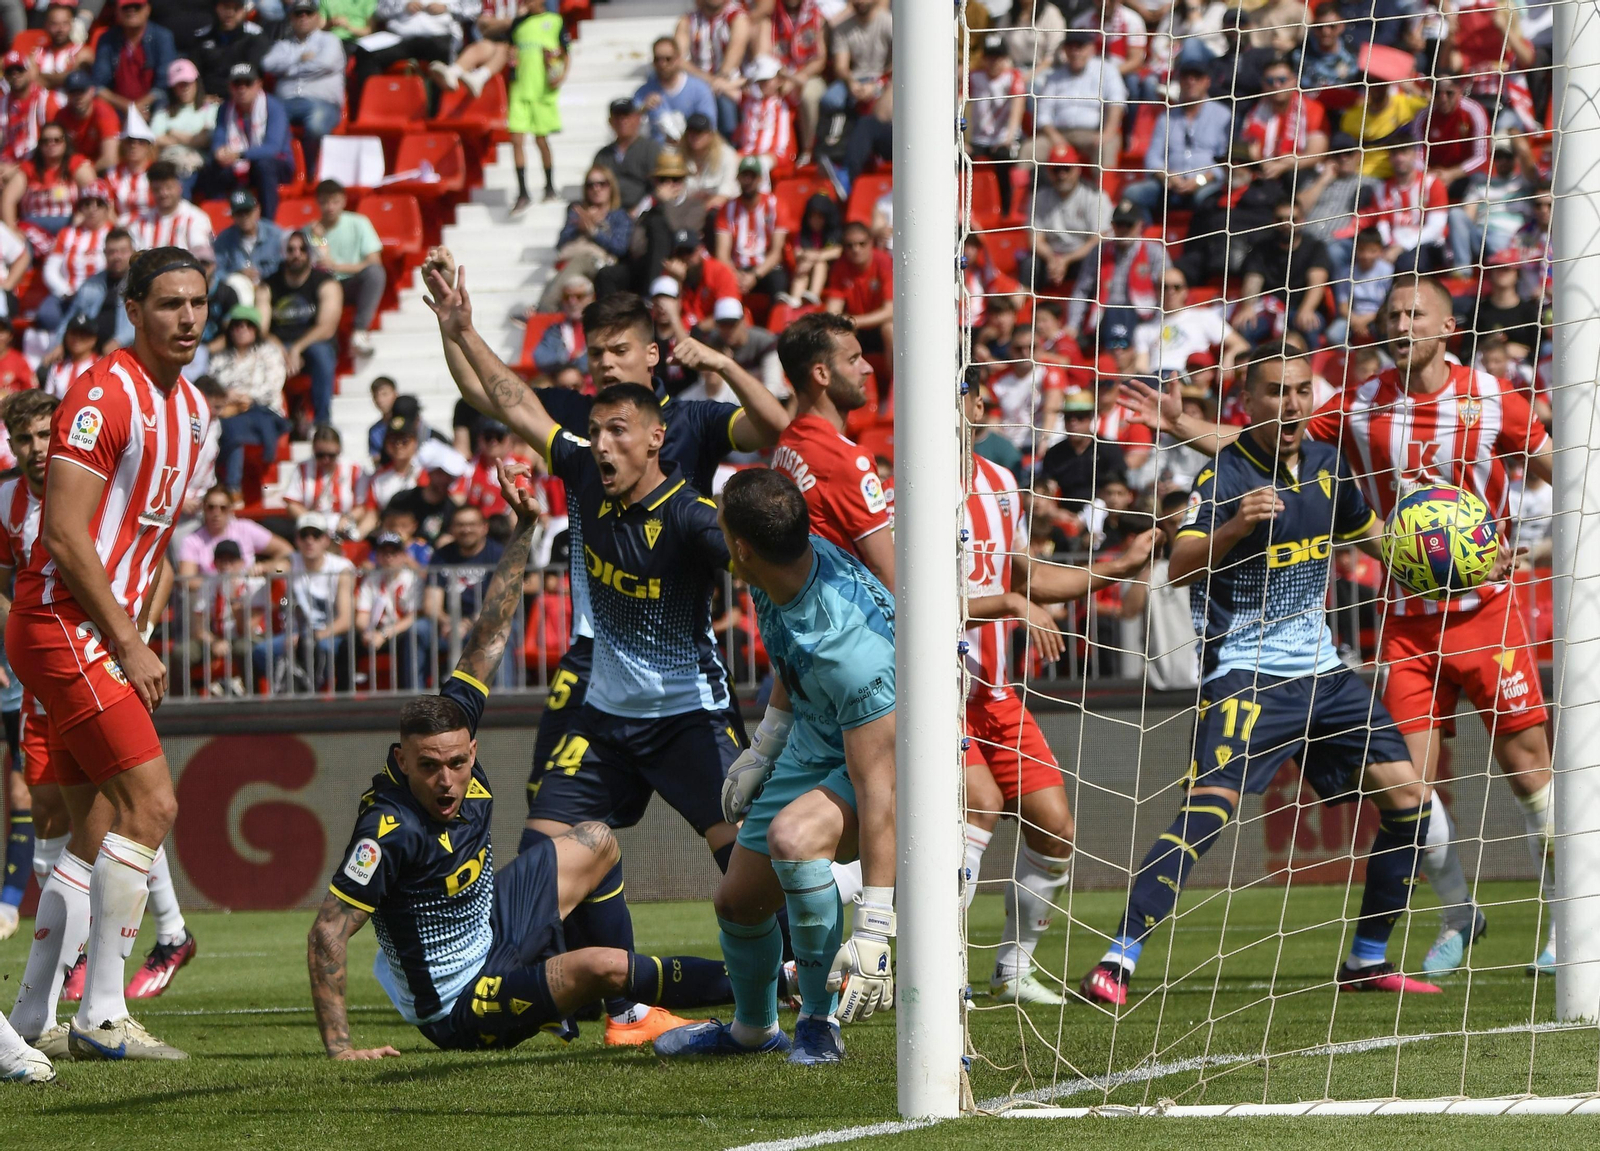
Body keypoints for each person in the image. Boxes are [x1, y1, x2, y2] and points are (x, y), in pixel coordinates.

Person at [423, 262, 788, 1044]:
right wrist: (459, 328)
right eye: (598, 428)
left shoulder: (693, 499)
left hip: (687, 711)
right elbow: (505, 398)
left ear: (657, 434)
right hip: (602, 703)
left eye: (619, 428)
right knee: (548, 848)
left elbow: (771, 458)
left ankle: (800, 975)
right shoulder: (581, 454)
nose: (603, 440)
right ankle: (581, 1001)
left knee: (746, 859)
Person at [309, 466, 732, 1057]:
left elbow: (488, 633)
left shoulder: (457, 724)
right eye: (428, 767)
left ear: (472, 749)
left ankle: (626, 1015)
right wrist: (341, 1050)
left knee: (595, 840)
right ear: (401, 761)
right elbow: (327, 932)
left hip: (493, 930)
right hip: (461, 1003)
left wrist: (525, 527)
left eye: (457, 763)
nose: (447, 780)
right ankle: (774, 981)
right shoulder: (389, 828)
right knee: (602, 965)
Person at [1079, 351, 1437, 1008]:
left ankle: (1367, 958)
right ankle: (1118, 958)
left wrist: (1454, 554)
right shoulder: (1223, 475)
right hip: (1247, 674)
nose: (1292, 403)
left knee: (1410, 799)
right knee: (1208, 811)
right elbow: (1180, 567)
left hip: (1325, 674)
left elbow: (1379, 538)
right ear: (1249, 401)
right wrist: (1238, 523)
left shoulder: (1330, 466)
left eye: (1301, 390)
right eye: (1276, 392)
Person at [6, 245, 216, 1062]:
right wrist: (127, 641)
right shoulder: (102, 394)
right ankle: (101, 1013)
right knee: (153, 805)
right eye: (169, 303)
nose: (188, 318)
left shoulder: (192, 410)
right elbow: (63, 534)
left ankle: (31, 1015)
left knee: (92, 829)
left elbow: (154, 541)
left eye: (197, 302)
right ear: (132, 310)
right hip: (65, 621)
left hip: (95, 629)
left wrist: (141, 631)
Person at [653, 467, 895, 1063]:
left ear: (741, 547)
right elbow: (794, 656)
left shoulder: (852, 654)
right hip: (818, 735)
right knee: (736, 903)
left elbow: (880, 792)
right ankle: (753, 1030)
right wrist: (765, 745)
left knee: (794, 838)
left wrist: (875, 926)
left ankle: (817, 1023)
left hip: (893, 751)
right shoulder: (774, 571)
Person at [959, 384, 1154, 1004]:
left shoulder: (1001, 483)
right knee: (978, 807)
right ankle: (936, 970)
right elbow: (905, 596)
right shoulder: (904, 492)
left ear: (978, 407)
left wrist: (1115, 568)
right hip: (935, 694)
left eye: (954, 395)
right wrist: (1013, 603)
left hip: (995, 692)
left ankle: (1011, 970)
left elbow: (1027, 575)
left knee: (1055, 828)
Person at [0, 392, 61, 948]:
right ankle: (62, 942)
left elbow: (153, 563)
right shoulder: (5, 501)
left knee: (126, 799)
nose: (37, 448)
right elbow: (3, 585)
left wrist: (136, 632)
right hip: (31, 672)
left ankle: (167, 928)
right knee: (39, 800)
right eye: (25, 438)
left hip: (93, 659)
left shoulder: (93, 488)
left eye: (45, 435)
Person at [769, 312, 892, 587]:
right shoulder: (846, 459)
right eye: (853, 360)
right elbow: (888, 575)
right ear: (822, 374)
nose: (868, 368)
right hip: (848, 609)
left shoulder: (788, 441)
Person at [253, 511, 354, 692]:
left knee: (318, 650)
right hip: (295, 635)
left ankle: (310, 694)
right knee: (260, 652)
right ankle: (286, 688)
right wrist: (264, 568)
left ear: (325, 540)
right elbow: (278, 569)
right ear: (297, 539)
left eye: (316, 535)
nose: (309, 540)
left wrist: (314, 637)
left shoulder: (341, 568)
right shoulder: (292, 562)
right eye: (304, 535)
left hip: (328, 634)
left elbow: (345, 620)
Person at [206, 305, 293, 490]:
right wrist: (227, 397)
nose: (242, 329)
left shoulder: (269, 352)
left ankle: (232, 487)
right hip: (227, 411)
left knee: (233, 430)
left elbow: (273, 387)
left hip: (262, 411)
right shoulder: (219, 358)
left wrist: (243, 397)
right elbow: (210, 388)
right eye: (237, 325)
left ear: (256, 329)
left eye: (248, 325)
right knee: (219, 426)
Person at [259, 229, 341, 423]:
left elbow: (327, 328)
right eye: (291, 249)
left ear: (309, 253)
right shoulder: (268, 285)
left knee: (321, 354)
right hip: (280, 344)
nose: (297, 254)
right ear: (283, 253)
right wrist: (281, 349)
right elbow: (260, 329)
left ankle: (322, 422)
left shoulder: (326, 283)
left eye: (302, 249)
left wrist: (296, 348)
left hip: (313, 343)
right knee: (266, 354)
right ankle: (271, 422)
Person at [261, 0, 346, 176]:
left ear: (317, 17)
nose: (303, 17)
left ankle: (309, 172)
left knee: (316, 125)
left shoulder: (330, 40)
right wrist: (300, 58)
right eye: (298, 13)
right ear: (291, 18)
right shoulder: (283, 45)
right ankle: (284, 170)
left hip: (322, 102)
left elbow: (325, 63)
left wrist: (287, 70)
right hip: (285, 102)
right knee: (264, 123)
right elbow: (267, 63)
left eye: (308, 13)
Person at [202, 62, 292, 218]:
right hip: (240, 162)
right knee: (213, 165)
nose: (242, 89)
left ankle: (267, 221)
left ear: (258, 85)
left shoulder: (274, 107)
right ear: (230, 87)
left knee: (263, 166)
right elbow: (219, 137)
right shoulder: (225, 109)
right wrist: (219, 152)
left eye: (247, 83)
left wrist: (239, 154)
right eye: (237, 84)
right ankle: (217, 218)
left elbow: (273, 148)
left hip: (277, 164)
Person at [305, 179, 384, 357]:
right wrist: (317, 240)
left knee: (375, 273)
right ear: (318, 202)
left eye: (335, 201)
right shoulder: (308, 231)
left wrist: (337, 266)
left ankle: (359, 331)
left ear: (344, 201)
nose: (330, 207)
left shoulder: (359, 223)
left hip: (350, 283)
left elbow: (374, 261)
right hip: (321, 287)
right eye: (325, 202)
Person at [538, 167, 630, 312]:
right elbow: (560, 244)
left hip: (601, 261)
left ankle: (544, 308)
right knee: (564, 271)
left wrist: (594, 231)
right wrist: (579, 227)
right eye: (590, 185)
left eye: (602, 184)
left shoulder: (618, 215)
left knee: (579, 262)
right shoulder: (577, 212)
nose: (596, 189)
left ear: (611, 187)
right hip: (573, 259)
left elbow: (620, 247)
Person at [506, 0, 566, 217]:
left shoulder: (554, 21)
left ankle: (549, 186)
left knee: (541, 139)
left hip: (542, 91)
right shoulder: (518, 24)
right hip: (519, 89)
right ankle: (523, 192)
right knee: (516, 140)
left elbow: (564, 52)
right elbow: (511, 50)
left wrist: (560, 75)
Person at [1031, 33, 1125, 169]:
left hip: (1093, 133)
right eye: (1070, 47)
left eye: (1080, 47)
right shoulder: (1054, 76)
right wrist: (1055, 137)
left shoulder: (1107, 70)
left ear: (1091, 48)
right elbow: (1043, 114)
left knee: (1107, 146)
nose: (1075, 52)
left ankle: (1105, 183)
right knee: (1030, 150)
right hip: (1058, 134)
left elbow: (1116, 104)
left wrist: (1107, 133)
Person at [351, 0, 464, 107]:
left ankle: (438, 110)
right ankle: (374, 106)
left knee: (443, 55)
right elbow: (380, 11)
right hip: (400, 38)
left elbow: (471, 10)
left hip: (439, 37)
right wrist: (402, 7)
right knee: (366, 52)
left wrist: (446, 8)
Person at [37, 180, 113, 335]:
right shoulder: (66, 234)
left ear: (107, 208)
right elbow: (50, 269)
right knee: (47, 315)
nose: (92, 209)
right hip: (68, 294)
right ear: (80, 208)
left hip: (101, 294)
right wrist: (65, 290)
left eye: (98, 204)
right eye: (87, 204)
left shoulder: (115, 234)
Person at [176, 483, 291, 579]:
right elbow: (187, 581)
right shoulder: (192, 540)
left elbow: (286, 551)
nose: (216, 513)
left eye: (223, 508)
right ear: (203, 509)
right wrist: (220, 584)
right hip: (211, 597)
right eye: (211, 507)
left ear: (231, 510)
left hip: (249, 595)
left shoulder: (245, 528)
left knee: (282, 566)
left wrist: (264, 567)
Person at [52, 226, 135, 353]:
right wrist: (59, 343)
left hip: (126, 350)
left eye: (123, 251)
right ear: (104, 253)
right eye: (112, 252)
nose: (117, 257)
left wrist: (119, 341)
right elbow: (71, 316)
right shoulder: (91, 285)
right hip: (89, 351)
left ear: (133, 252)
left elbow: (144, 322)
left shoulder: (139, 283)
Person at [676, 0, 752, 139]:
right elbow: (678, 59)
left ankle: (730, 143)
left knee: (725, 105)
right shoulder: (687, 20)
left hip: (730, 83)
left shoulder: (737, 17)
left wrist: (719, 82)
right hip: (700, 83)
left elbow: (734, 55)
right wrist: (711, 82)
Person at [1, 121, 93, 235]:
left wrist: (83, 215)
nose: (51, 144)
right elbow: (8, 199)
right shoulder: (28, 168)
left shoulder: (76, 165)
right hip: (33, 226)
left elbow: (94, 193)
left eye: (57, 140)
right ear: (40, 145)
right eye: (46, 141)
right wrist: (12, 231)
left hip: (69, 222)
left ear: (65, 142)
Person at [716, 156, 789, 299]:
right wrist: (736, 275)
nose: (748, 181)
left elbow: (776, 253)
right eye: (745, 176)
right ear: (738, 178)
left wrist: (755, 275)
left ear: (760, 179)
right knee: (722, 284)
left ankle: (779, 312)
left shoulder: (775, 206)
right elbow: (722, 254)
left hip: (765, 267)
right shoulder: (726, 210)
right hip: (738, 267)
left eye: (753, 177)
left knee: (779, 283)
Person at [91, 0, 177, 119]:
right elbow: (99, 85)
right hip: (118, 111)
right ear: (117, 11)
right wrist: (130, 108)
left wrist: (139, 108)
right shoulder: (107, 40)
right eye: (126, 7)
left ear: (148, 9)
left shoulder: (163, 37)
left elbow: (163, 84)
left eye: (137, 7)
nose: (131, 11)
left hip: (154, 109)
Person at [283, 425, 371, 540]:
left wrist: (347, 519)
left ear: (339, 450)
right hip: (312, 531)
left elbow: (363, 506)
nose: (326, 460)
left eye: (331, 455)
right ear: (313, 450)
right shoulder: (303, 468)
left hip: (342, 529)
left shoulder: (355, 469)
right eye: (320, 455)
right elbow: (292, 504)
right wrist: (310, 521)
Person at [823, 222, 892, 364]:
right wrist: (845, 322)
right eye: (850, 245)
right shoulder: (840, 266)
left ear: (871, 243)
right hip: (857, 329)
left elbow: (890, 311)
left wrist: (853, 321)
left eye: (862, 244)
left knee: (889, 328)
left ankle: (895, 377)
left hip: (878, 326)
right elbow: (833, 310)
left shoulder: (883, 262)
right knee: (837, 331)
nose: (856, 249)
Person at [636, 35, 715, 148]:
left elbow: (709, 128)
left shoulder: (699, 90)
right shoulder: (643, 93)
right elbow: (628, 128)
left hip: (689, 151)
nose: (662, 64)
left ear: (678, 59)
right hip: (654, 152)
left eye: (668, 59)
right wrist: (643, 109)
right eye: (657, 59)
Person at [149, 58, 217, 187]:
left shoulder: (210, 108)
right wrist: (191, 138)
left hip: (197, 164)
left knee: (182, 179)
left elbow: (204, 140)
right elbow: (154, 141)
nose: (184, 88)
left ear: (196, 82)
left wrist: (173, 133)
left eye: (187, 83)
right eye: (179, 85)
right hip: (169, 162)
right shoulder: (163, 112)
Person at [130, 160, 215, 262]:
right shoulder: (140, 223)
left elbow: (202, 258)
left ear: (180, 187)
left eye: (168, 187)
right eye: (157, 189)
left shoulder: (196, 218)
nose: (163, 193)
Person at [591, 97, 660, 212]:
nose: (622, 121)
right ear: (610, 122)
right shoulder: (602, 155)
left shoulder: (651, 149)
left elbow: (658, 187)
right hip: (610, 213)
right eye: (617, 117)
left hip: (645, 213)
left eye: (627, 116)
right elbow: (595, 186)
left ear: (638, 118)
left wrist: (638, 211)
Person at [193, 0, 268, 100]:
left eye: (236, 8)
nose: (230, 13)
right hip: (207, 100)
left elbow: (253, 75)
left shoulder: (255, 37)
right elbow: (194, 74)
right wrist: (201, 97)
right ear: (216, 8)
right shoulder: (202, 37)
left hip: (242, 99)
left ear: (244, 10)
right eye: (225, 7)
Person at [212, 188, 286, 290]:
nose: (244, 217)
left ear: (257, 210)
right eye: (239, 213)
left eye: (247, 211)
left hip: (271, 288)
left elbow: (285, 267)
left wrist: (261, 273)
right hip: (237, 292)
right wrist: (237, 275)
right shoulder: (224, 240)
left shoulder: (275, 235)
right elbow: (215, 272)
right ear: (233, 216)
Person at [52, 70, 122, 174]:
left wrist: (83, 173)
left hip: (101, 170)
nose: (78, 97)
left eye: (82, 91)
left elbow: (110, 158)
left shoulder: (104, 112)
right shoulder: (61, 115)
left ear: (91, 91)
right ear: (67, 94)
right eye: (73, 92)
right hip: (74, 167)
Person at [106, 128, 156, 221]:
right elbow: (109, 209)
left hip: (152, 223)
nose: (134, 146)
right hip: (121, 225)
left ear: (149, 146)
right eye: (129, 141)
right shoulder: (112, 173)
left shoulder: (157, 171)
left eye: (141, 142)